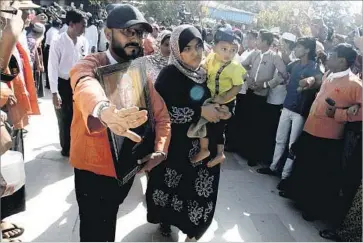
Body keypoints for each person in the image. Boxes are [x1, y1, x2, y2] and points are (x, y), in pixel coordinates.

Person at [69, 4, 171, 241]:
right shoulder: (92, 64)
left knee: (108, 227)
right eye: (128, 32)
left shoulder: (139, 74)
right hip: (92, 171)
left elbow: (162, 116)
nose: (135, 38)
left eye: (139, 33)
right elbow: (83, 82)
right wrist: (103, 110)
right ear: (107, 34)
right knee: (93, 232)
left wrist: (160, 150)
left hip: (123, 171)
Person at [146, 24, 229, 242]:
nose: (195, 53)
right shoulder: (168, 75)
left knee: (200, 194)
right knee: (172, 189)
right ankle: (166, 221)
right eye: (188, 48)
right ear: (176, 49)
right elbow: (163, 114)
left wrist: (221, 111)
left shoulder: (205, 74)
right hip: (178, 149)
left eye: (198, 46)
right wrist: (200, 111)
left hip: (205, 148)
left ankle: (193, 234)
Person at [283, 43, 362, 221]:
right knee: (305, 167)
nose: (328, 56)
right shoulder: (329, 74)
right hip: (311, 129)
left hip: (329, 136)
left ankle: (313, 208)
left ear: (342, 61)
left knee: (319, 175)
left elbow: (360, 113)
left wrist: (339, 113)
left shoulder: (355, 84)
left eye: (332, 55)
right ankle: (299, 199)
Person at [257, 38, 323, 190]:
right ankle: (273, 167)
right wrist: (267, 84)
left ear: (307, 50)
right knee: (280, 139)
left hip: (300, 111)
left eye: (299, 47)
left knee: (292, 145)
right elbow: (283, 76)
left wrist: (310, 82)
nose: (296, 49)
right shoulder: (294, 65)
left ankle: (285, 176)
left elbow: (319, 80)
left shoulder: (314, 67)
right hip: (287, 106)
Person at [0, 0, 40, 241]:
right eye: (21, 12)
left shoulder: (15, 35)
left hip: (9, 114)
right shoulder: (8, 33)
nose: (27, 16)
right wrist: (7, 39)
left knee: (9, 172)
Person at [191, 27, 245, 165]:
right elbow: (203, 67)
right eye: (224, 49)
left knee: (219, 126)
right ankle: (205, 149)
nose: (228, 53)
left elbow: (238, 85)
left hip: (226, 101)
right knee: (206, 124)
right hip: (211, 98)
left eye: (233, 50)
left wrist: (225, 98)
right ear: (214, 47)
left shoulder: (235, 67)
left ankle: (219, 153)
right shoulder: (211, 58)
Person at [240, 29, 287, 166]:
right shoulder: (255, 54)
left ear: (266, 42)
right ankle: (244, 150)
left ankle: (254, 156)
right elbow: (242, 66)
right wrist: (248, 78)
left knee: (258, 126)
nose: (257, 42)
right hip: (250, 91)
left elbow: (283, 75)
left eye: (259, 39)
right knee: (247, 122)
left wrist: (266, 84)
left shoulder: (274, 57)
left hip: (262, 96)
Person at [48, 9, 88, 157]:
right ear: (71, 24)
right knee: (64, 118)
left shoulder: (83, 41)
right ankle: (66, 148)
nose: (84, 29)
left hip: (78, 83)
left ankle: (77, 145)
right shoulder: (58, 41)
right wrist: (54, 92)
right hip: (62, 83)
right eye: (82, 25)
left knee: (79, 117)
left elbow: (86, 62)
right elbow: (52, 68)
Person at [44, 19, 61, 89]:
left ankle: (48, 84)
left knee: (49, 68)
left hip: (47, 48)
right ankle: (51, 85)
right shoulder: (55, 32)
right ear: (59, 25)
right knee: (53, 68)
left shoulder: (50, 30)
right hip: (51, 49)